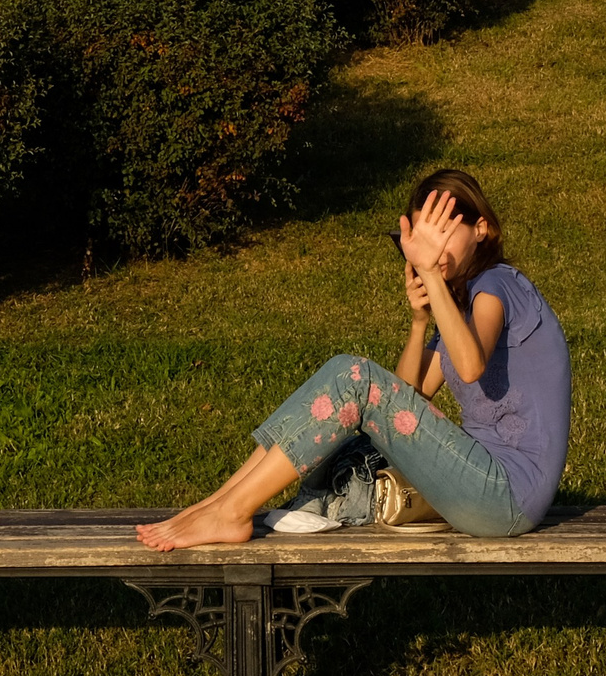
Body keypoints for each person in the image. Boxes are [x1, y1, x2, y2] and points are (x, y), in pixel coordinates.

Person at [137, 169, 572, 550]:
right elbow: (406, 403)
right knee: (347, 374)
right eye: (422, 239)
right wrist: (419, 322)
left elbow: (471, 365)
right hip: (480, 488)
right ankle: (220, 502)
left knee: (354, 376)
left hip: (509, 495)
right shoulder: (456, 310)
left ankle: (231, 510)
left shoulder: (499, 284)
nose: (432, 251)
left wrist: (433, 280)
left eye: (443, 234)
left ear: (482, 229)